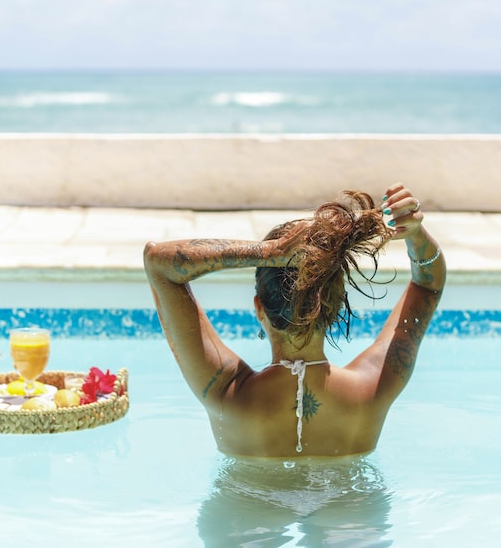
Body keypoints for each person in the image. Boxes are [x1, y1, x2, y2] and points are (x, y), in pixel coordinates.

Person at [142, 183, 445, 458]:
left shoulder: (226, 394)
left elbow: (159, 263)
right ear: (337, 304)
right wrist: (416, 235)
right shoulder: (372, 386)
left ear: (259, 308)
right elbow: (428, 285)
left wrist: (270, 252)